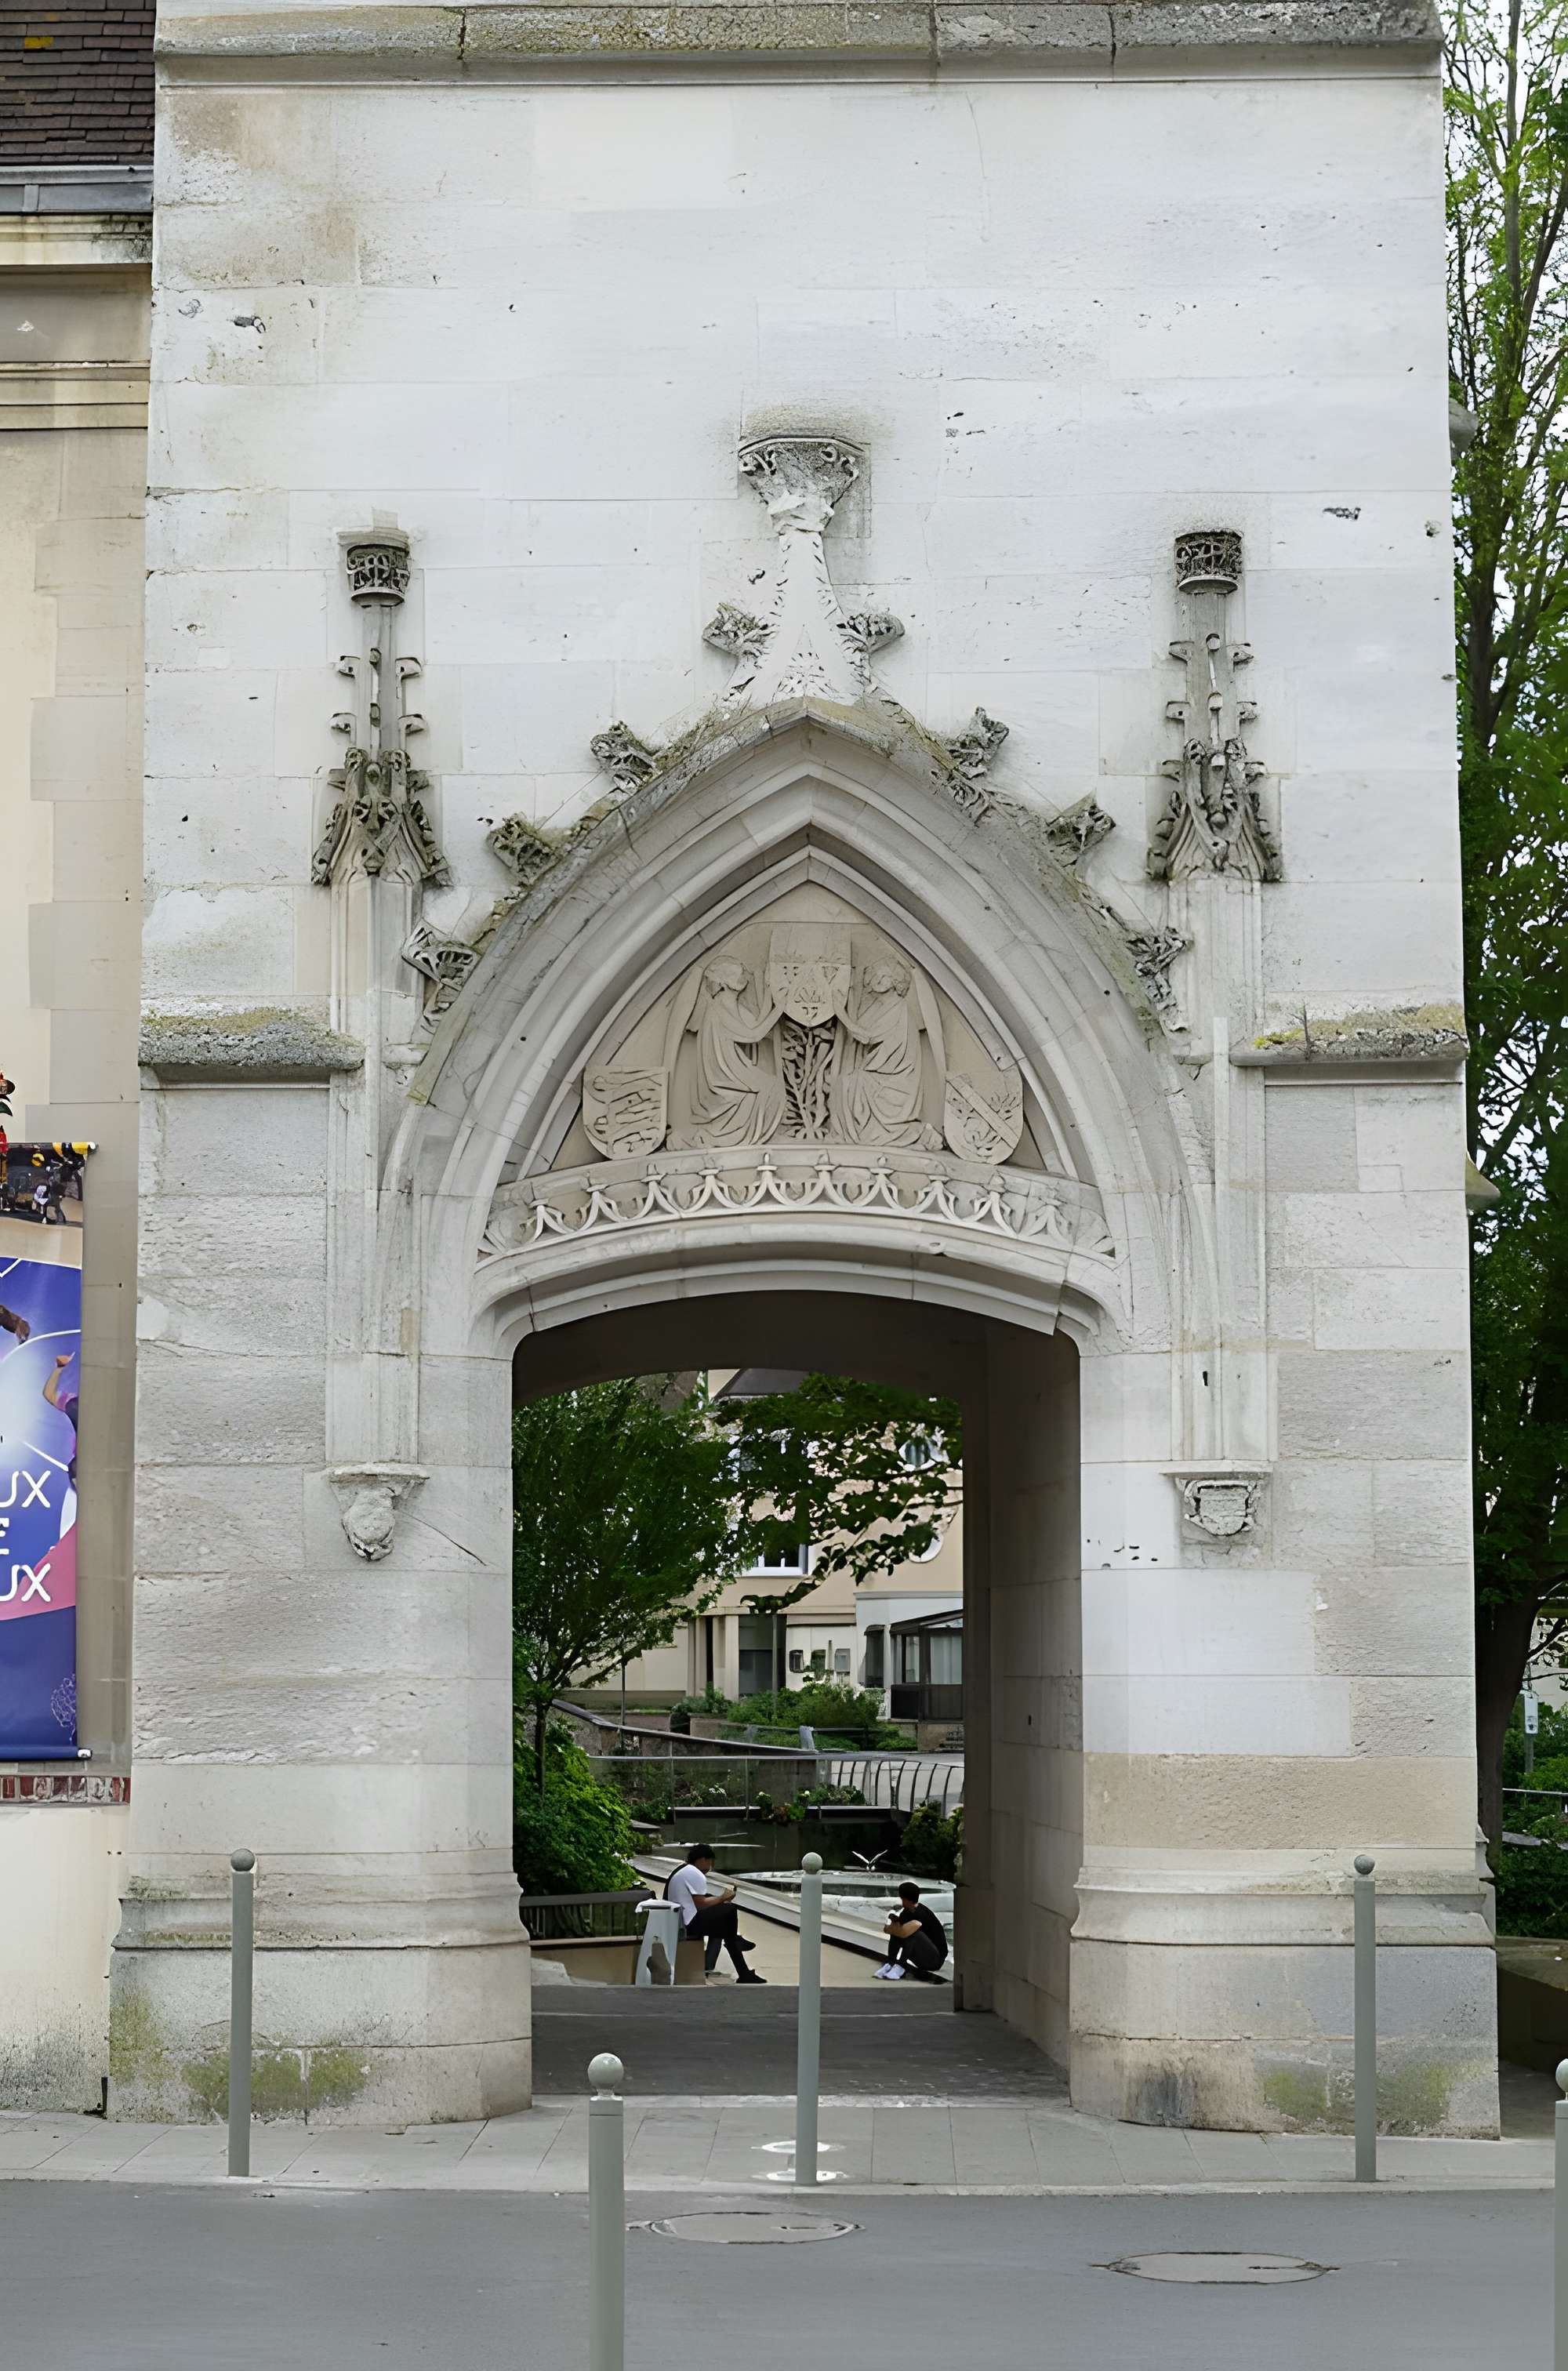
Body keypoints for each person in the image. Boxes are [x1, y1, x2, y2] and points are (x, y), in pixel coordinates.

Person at [664, 1845, 766, 1983]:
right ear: (703, 1860)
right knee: (730, 1910)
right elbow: (701, 1903)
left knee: (725, 1919)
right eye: (710, 1862)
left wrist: (720, 1901)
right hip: (687, 1924)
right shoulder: (695, 1873)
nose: (710, 1867)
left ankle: (742, 1968)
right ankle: (736, 1946)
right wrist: (723, 1898)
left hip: (679, 1919)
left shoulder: (684, 1870)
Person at [876, 1883, 948, 1980]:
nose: (902, 1902)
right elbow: (900, 1932)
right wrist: (895, 1922)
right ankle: (890, 1963)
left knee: (914, 1933)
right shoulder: (906, 1912)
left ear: (906, 1899)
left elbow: (912, 1936)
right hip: (921, 1956)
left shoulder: (922, 1914)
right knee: (897, 1932)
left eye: (902, 1899)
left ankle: (900, 1967)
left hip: (935, 1960)